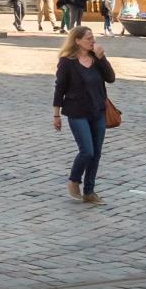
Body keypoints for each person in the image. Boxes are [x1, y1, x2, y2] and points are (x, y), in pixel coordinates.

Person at [51, 26, 115, 204]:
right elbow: (60, 88)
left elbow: (111, 78)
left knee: (96, 153)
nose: (93, 41)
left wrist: (102, 58)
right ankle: (74, 180)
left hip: (98, 111)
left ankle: (89, 191)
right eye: (88, 38)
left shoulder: (96, 58)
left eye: (93, 37)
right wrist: (56, 115)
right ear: (77, 41)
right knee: (87, 151)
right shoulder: (67, 61)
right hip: (77, 112)